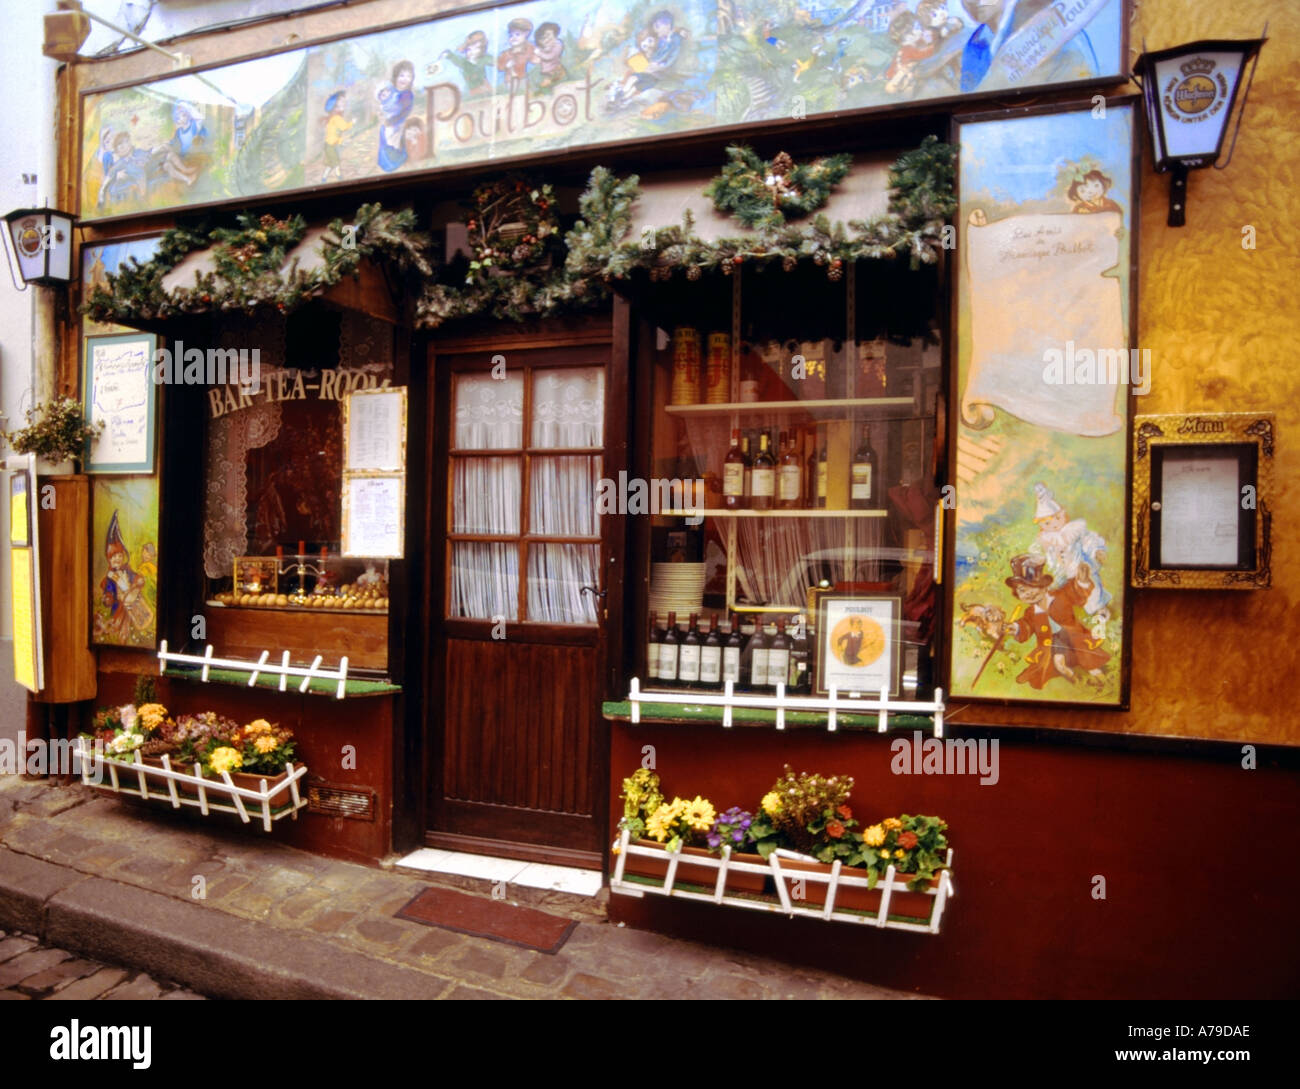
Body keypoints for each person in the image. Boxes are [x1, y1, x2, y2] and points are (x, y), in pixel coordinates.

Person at [992, 554, 1109, 690]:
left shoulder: (1060, 595)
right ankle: (1079, 684)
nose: (1028, 593)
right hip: (1054, 643)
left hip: (1074, 638)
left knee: (1090, 663)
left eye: (1033, 587)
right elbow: (1026, 625)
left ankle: (1103, 681)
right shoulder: (1031, 612)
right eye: (1022, 590)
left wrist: (1083, 582)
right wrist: (1015, 627)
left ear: (1044, 587)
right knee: (1059, 664)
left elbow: (1076, 592)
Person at [1028, 482, 1110, 635]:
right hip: (1060, 571)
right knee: (1058, 590)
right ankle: (1065, 617)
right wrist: (1035, 558)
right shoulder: (1046, 538)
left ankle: (1099, 609)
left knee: (1090, 582)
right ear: (1041, 525)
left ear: (1063, 516)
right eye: (1047, 523)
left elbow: (1090, 539)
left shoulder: (1073, 531)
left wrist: (1097, 550)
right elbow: (1036, 550)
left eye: (1057, 518)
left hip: (1079, 563)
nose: (1054, 524)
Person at [376, 60, 415, 172]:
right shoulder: (391, 91)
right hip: (388, 122)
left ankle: (394, 160)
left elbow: (404, 112)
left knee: (394, 140)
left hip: (398, 123)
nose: (405, 79)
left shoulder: (407, 94)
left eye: (409, 76)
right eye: (402, 75)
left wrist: (392, 121)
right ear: (396, 76)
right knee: (384, 134)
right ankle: (387, 161)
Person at [440, 30, 491, 95]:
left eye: (477, 48)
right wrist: (449, 55)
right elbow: (457, 61)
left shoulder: (484, 58)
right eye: (468, 49)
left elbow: (495, 62)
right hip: (473, 91)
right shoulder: (465, 63)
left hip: (484, 89)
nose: (471, 52)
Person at [496, 18, 536, 96]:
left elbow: (535, 60)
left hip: (522, 79)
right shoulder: (506, 53)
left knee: (524, 94)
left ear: (526, 34)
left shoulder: (528, 49)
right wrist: (506, 65)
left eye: (517, 34)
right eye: (511, 35)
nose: (513, 38)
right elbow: (499, 66)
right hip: (509, 81)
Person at [321, 90, 352, 183]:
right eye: (341, 103)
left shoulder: (334, 118)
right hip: (330, 146)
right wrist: (352, 122)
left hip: (330, 145)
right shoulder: (336, 118)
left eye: (344, 102)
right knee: (336, 162)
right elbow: (344, 127)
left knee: (330, 164)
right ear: (335, 107)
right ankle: (339, 177)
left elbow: (335, 134)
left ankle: (324, 177)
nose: (344, 105)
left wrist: (341, 141)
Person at [534, 22, 567, 89]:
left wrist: (539, 53)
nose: (547, 39)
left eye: (548, 35)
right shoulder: (545, 47)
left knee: (559, 83)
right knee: (547, 85)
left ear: (554, 34)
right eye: (543, 38)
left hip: (556, 69)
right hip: (547, 72)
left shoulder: (557, 44)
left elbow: (550, 56)